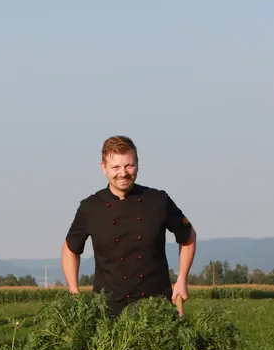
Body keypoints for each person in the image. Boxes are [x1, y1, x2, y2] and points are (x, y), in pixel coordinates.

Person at [62, 135, 197, 317]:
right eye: (116, 167)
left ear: (138, 164)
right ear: (104, 168)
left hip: (156, 310)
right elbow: (71, 248)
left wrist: (182, 280)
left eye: (129, 165)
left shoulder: (158, 201)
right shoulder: (90, 207)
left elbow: (188, 236)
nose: (123, 173)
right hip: (106, 313)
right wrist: (74, 292)